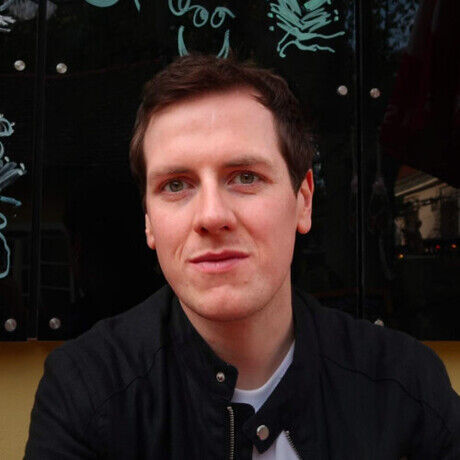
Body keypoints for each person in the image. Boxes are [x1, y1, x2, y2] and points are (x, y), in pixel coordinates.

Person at [25, 54, 459, 459]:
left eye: (245, 177)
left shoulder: (407, 386)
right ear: (149, 223)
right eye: (176, 185)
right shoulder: (84, 392)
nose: (212, 216)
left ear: (303, 201)